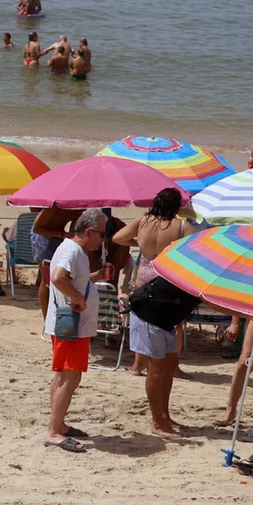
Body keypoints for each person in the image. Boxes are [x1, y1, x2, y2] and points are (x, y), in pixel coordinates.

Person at [112, 188, 190, 433]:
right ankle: (159, 418)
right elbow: (195, 249)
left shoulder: (143, 220)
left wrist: (139, 242)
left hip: (144, 280)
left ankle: (164, 416)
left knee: (160, 363)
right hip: (165, 283)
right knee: (160, 366)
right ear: (176, 206)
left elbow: (117, 238)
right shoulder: (179, 227)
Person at [43, 209, 106, 452]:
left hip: (67, 324)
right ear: (89, 232)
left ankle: (59, 424)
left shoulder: (71, 249)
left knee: (64, 376)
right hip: (71, 324)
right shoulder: (72, 250)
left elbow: (66, 277)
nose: (102, 240)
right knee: (69, 378)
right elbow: (58, 277)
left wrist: (89, 279)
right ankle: (54, 431)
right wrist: (79, 297)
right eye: (101, 234)